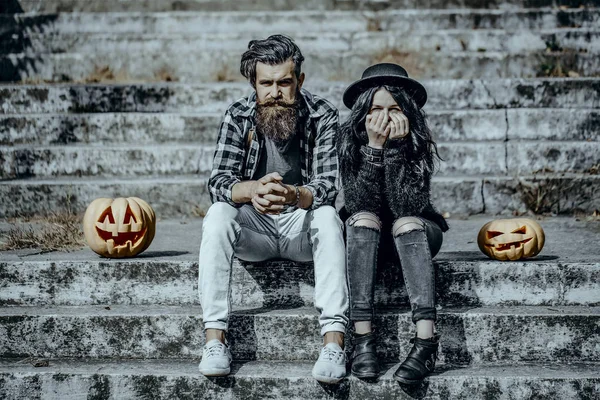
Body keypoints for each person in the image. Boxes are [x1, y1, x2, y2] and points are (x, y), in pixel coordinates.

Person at [198, 34, 349, 384]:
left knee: (327, 217)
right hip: (256, 230)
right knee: (218, 214)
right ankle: (214, 340)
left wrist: (294, 195)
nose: (275, 92)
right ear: (254, 83)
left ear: (300, 80)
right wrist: (252, 190)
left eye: (284, 82)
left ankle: (333, 342)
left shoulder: (322, 114)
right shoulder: (238, 115)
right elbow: (218, 181)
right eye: (266, 83)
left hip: (300, 227)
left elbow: (328, 185)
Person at [336, 63, 449, 384]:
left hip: (416, 233)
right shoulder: (350, 142)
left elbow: (407, 207)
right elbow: (359, 204)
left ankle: (426, 342)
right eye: (377, 109)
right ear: (364, 112)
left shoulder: (415, 142)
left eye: (394, 109)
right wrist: (374, 149)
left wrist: (397, 150)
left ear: (407, 111)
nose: (385, 117)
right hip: (366, 236)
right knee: (362, 219)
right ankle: (363, 340)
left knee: (406, 222)